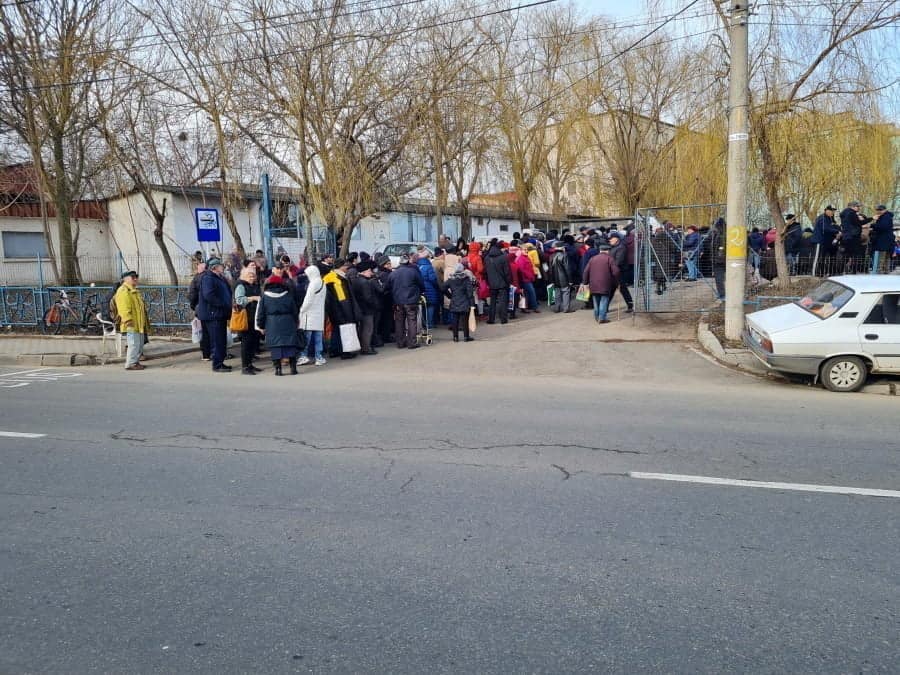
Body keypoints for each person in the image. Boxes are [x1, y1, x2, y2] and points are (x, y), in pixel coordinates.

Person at [255, 275, 301, 375]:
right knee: (290, 345)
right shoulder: (288, 295)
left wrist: (260, 325)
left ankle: (278, 370)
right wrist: (296, 322)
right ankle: (293, 369)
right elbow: (294, 310)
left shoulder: (265, 296)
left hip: (272, 324)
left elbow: (261, 313)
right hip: (288, 322)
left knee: (276, 347)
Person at [197, 257, 234, 372]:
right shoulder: (208, 278)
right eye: (220, 265)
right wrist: (223, 303)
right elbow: (209, 295)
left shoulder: (219, 278)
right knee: (217, 340)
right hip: (213, 314)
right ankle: (217, 365)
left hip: (220, 314)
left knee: (221, 339)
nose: (223, 267)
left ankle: (220, 362)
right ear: (215, 267)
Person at [385, 253, 424, 349]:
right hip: (411, 300)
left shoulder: (393, 273)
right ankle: (412, 342)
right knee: (412, 321)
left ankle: (400, 342)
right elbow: (421, 285)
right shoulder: (413, 272)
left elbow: (387, 287)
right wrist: (420, 293)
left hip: (398, 301)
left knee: (399, 322)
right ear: (408, 262)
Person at [323, 258, 360, 359]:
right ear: (341, 267)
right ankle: (345, 352)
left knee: (336, 329)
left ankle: (334, 350)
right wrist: (348, 312)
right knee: (344, 329)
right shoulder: (337, 279)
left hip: (333, 309)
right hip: (341, 309)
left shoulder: (329, 277)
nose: (347, 268)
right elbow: (342, 298)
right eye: (345, 266)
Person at [114, 271, 149, 371]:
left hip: (138, 323)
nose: (135, 279)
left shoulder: (134, 290)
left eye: (136, 277)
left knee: (139, 344)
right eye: (133, 277)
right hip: (131, 323)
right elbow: (123, 308)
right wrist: (128, 320)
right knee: (133, 344)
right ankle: (130, 364)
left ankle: (135, 362)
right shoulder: (123, 291)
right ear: (125, 279)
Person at [233, 263, 262, 375]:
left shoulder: (252, 285)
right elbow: (239, 300)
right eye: (250, 275)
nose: (252, 277)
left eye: (253, 275)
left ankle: (250, 364)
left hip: (253, 317)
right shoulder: (241, 285)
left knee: (252, 342)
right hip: (245, 318)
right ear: (244, 276)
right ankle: (245, 367)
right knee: (246, 343)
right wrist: (253, 298)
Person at [298, 265, 327, 366]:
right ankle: (319, 357)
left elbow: (308, 300)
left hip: (309, 315)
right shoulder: (323, 282)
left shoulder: (313, 284)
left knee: (306, 338)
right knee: (318, 338)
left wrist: (302, 310)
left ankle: (303, 356)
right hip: (319, 315)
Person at [583, 244, 620, 324]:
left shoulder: (592, 259)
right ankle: (602, 318)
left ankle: (597, 317)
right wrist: (616, 282)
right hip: (605, 284)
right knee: (604, 300)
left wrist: (585, 283)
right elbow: (616, 272)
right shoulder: (609, 259)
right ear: (608, 251)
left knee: (596, 301)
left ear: (600, 250)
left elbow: (586, 271)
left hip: (593, 284)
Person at [351, 260, 380, 355]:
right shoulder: (365, 282)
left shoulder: (354, 280)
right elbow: (368, 298)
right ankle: (366, 348)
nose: (371, 273)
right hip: (367, 309)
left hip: (359, 308)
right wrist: (375, 305)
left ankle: (362, 346)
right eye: (369, 271)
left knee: (361, 328)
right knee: (368, 329)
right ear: (365, 271)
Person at [840, 201, 873, 274]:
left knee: (847, 255)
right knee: (855, 255)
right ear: (853, 206)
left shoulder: (844, 213)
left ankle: (840, 270)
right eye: (857, 206)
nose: (859, 208)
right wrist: (872, 218)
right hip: (853, 237)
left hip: (846, 237)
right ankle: (853, 271)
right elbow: (859, 223)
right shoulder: (851, 213)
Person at [187, 261, 211, 361]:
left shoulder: (196, 279)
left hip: (200, 308)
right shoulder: (210, 277)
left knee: (204, 331)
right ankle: (215, 351)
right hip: (211, 309)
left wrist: (194, 306)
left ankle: (206, 354)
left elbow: (191, 295)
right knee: (213, 331)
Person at [484, 241, 511, 324]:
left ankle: (491, 319)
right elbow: (507, 272)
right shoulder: (503, 257)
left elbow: (485, 272)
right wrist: (508, 282)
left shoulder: (487, 258)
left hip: (492, 283)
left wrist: (488, 282)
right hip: (502, 283)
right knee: (503, 301)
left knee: (493, 302)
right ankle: (503, 319)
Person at [608, 231, 634, 312]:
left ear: (616, 239)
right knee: (611, 290)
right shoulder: (613, 247)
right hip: (614, 272)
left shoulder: (621, 247)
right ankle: (605, 307)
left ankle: (630, 305)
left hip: (620, 272)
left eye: (611, 239)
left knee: (623, 289)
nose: (610, 240)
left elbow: (618, 261)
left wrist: (610, 267)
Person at [416, 248, 441, 328]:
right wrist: (437, 285)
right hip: (430, 289)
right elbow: (433, 279)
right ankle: (429, 324)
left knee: (423, 306)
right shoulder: (429, 267)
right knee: (430, 306)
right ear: (427, 257)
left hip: (421, 289)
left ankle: (424, 324)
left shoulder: (417, 266)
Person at [811, 205, 839, 275]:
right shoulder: (822, 218)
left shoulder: (828, 218)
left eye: (833, 211)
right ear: (826, 210)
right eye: (831, 211)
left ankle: (820, 273)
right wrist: (836, 231)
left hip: (824, 241)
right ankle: (815, 274)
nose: (833, 212)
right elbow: (825, 228)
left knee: (822, 258)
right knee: (817, 257)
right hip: (819, 240)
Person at [870, 205, 895, 274]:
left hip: (883, 240)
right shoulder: (887, 216)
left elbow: (883, 227)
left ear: (885, 210)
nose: (878, 211)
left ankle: (880, 271)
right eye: (878, 210)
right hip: (886, 240)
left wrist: (873, 225)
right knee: (886, 257)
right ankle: (885, 271)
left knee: (881, 257)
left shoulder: (885, 217)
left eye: (880, 210)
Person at [549, 244, 573, 312]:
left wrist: (551, 279)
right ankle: (566, 309)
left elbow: (550, 269)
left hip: (554, 277)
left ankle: (557, 308)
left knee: (557, 293)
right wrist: (570, 280)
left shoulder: (551, 256)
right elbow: (567, 268)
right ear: (562, 248)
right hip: (564, 278)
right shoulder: (564, 255)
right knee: (566, 292)